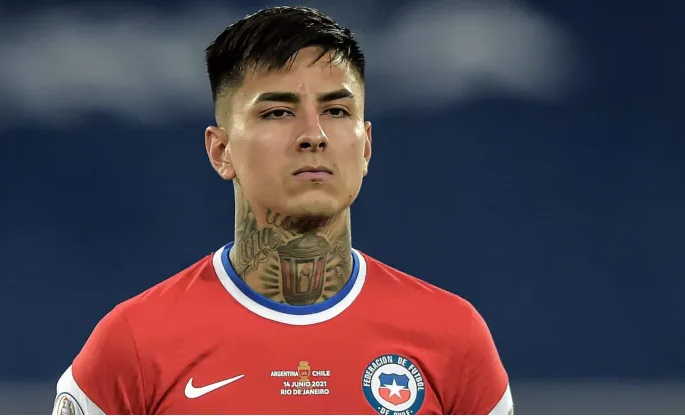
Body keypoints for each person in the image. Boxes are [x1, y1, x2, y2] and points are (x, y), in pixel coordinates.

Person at [52, 6, 513, 415]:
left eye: (336, 111)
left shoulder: (454, 338)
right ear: (221, 151)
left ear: (367, 144)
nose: (314, 135)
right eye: (277, 112)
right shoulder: (133, 344)